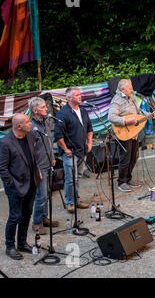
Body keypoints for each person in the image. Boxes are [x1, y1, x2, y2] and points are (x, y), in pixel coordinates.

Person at [0, 113, 42, 260]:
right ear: (19, 126)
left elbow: (34, 156)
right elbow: (3, 169)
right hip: (15, 187)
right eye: (27, 122)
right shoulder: (6, 142)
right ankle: (10, 246)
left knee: (26, 214)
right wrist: (12, 185)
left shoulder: (29, 136)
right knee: (14, 216)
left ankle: (22, 243)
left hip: (31, 183)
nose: (30, 124)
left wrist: (37, 172)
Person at [108, 79, 153, 192]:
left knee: (134, 156)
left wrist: (150, 114)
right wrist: (126, 121)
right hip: (124, 132)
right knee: (125, 158)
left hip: (134, 132)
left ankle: (128, 178)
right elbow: (111, 117)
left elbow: (139, 111)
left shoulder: (131, 98)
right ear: (123, 89)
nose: (132, 90)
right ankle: (121, 182)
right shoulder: (116, 101)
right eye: (130, 88)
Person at [53, 87, 92, 213]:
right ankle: (70, 202)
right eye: (77, 95)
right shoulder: (62, 114)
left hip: (82, 150)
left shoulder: (83, 110)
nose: (80, 96)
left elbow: (89, 128)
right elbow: (58, 135)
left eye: (80, 94)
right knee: (70, 178)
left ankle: (76, 199)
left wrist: (90, 142)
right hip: (70, 152)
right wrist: (65, 149)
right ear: (69, 98)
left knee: (77, 177)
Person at [29, 97, 59, 234]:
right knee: (41, 196)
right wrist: (36, 170)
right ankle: (36, 223)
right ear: (35, 111)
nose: (46, 109)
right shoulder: (31, 127)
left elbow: (48, 142)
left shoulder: (45, 122)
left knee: (47, 193)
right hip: (39, 166)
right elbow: (30, 151)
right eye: (43, 107)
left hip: (48, 162)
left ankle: (44, 217)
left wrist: (52, 157)